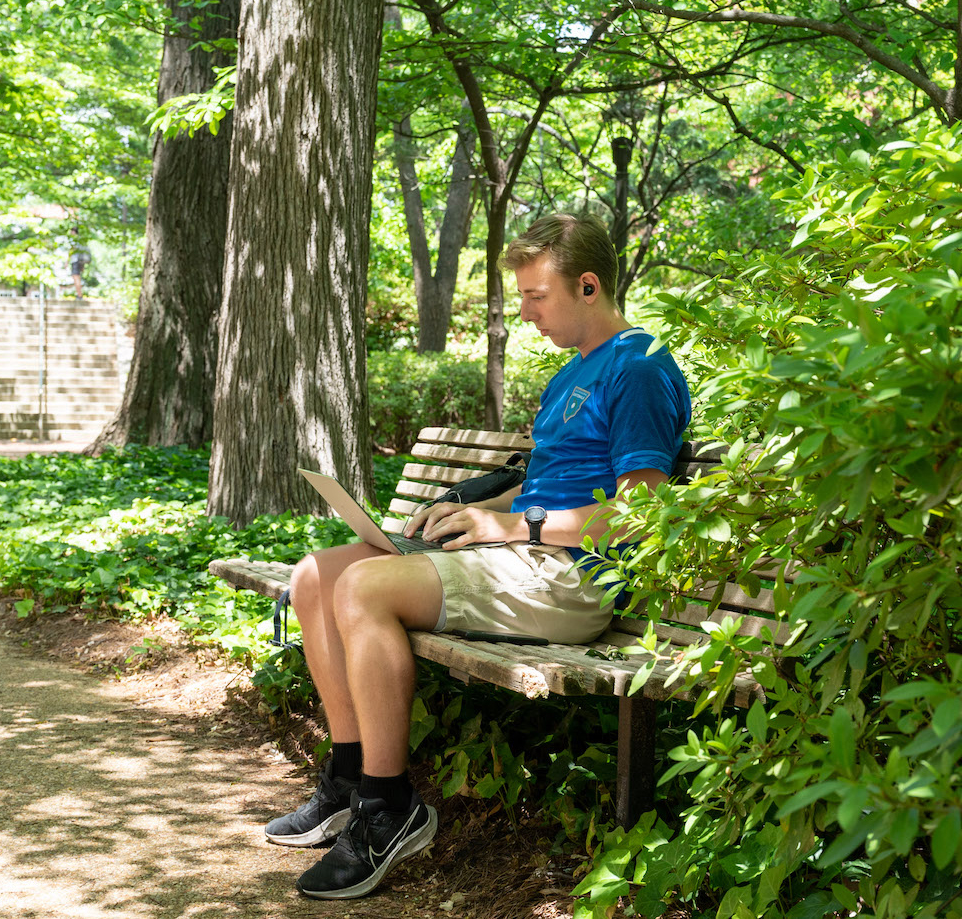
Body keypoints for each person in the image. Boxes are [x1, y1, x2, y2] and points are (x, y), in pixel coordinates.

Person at [267, 213, 692, 900]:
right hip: (526, 558)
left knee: (365, 590)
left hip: (570, 580)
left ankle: (388, 806)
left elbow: (640, 514)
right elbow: (546, 486)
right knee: (319, 574)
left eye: (536, 295)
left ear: (589, 285)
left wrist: (509, 525)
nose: (526, 313)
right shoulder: (570, 375)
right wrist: (468, 515)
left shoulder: (640, 368)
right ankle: (349, 776)